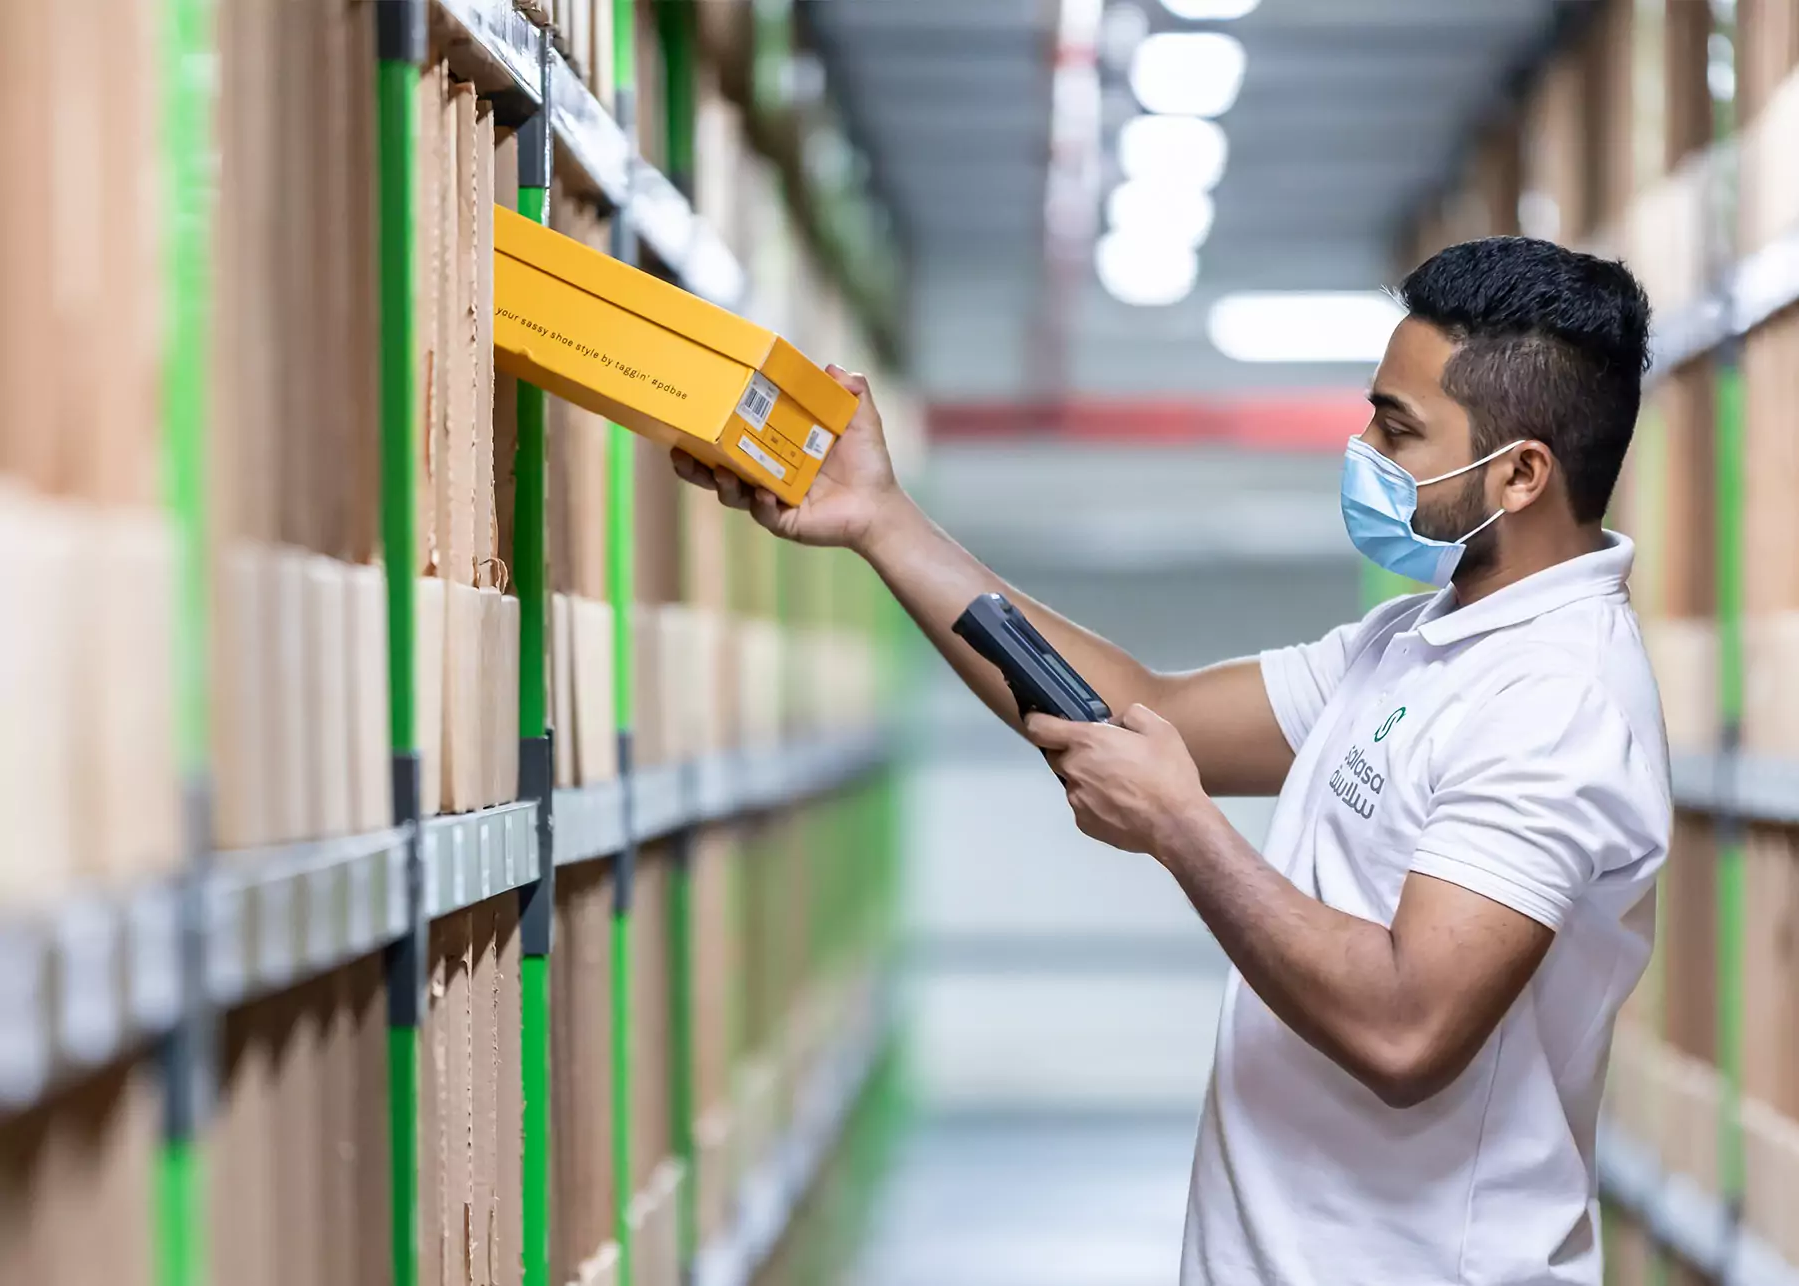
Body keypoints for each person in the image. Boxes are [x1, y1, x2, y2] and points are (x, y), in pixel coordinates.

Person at [671, 236, 1671, 1286]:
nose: (1363, 446)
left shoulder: (1556, 700)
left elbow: (1407, 1027)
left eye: (1399, 426)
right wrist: (881, 519)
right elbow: (1149, 711)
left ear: (1520, 473)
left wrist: (1181, 828)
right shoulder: (1418, 640)